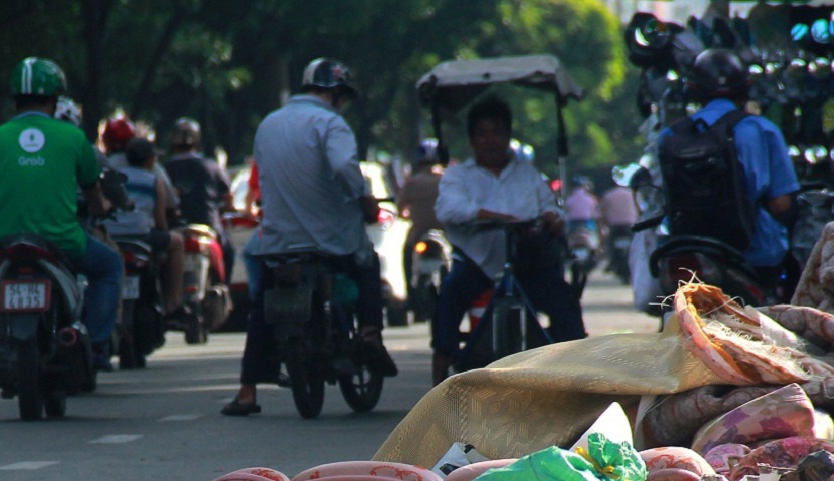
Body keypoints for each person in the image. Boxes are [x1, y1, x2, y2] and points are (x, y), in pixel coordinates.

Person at [224, 58, 397, 417]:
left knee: (262, 308)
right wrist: (363, 199)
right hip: (330, 239)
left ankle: (246, 392)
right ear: (335, 94)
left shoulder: (268, 124)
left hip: (280, 241)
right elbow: (343, 168)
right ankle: (369, 334)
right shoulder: (331, 124)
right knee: (368, 264)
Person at [0, 58, 123, 369]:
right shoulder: (75, 138)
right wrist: (101, 206)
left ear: (14, 99)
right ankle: (97, 343)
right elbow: (92, 190)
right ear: (54, 98)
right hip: (64, 241)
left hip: (4, 242)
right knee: (110, 266)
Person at [429, 96, 582, 383]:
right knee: (449, 295)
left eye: (497, 132)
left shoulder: (527, 173)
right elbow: (448, 209)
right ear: (472, 138)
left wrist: (551, 217)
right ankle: (442, 361)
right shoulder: (458, 176)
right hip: (478, 263)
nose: (490, 140)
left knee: (564, 299)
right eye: (482, 133)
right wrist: (486, 215)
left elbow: (548, 205)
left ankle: (578, 368)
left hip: (528, 262)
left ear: (508, 136)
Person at [658, 47, 798, 294]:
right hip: (756, 251)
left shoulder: (671, 134)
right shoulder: (762, 129)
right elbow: (781, 204)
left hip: (686, 248)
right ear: (745, 86)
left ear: (693, 89)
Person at [105, 135, 185, 315]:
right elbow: (160, 221)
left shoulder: (114, 178)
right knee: (178, 241)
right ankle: (173, 302)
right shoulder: (154, 182)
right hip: (141, 238)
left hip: (111, 237)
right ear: (150, 159)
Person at [396, 139, 444, 275]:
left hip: (418, 233)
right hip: (445, 231)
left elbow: (401, 208)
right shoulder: (448, 180)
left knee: (407, 252)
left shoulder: (412, 182)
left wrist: (404, 215)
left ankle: (410, 286)